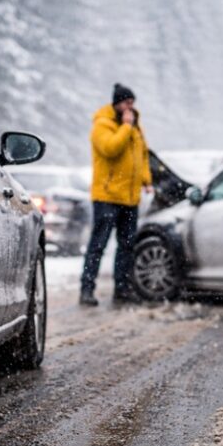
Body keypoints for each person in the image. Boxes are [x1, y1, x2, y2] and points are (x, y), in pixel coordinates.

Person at [79, 83, 152, 306]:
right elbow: (111, 149)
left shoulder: (135, 127)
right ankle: (87, 289)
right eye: (127, 103)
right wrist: (127, 128)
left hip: (130, 198)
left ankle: (122, 289)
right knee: (98, 245)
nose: (131, 108)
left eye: (132, 103)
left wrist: (147, 180)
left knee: (127, 245)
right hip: (107, 197)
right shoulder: (103, 125)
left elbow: (143, 155)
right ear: (118, 103)